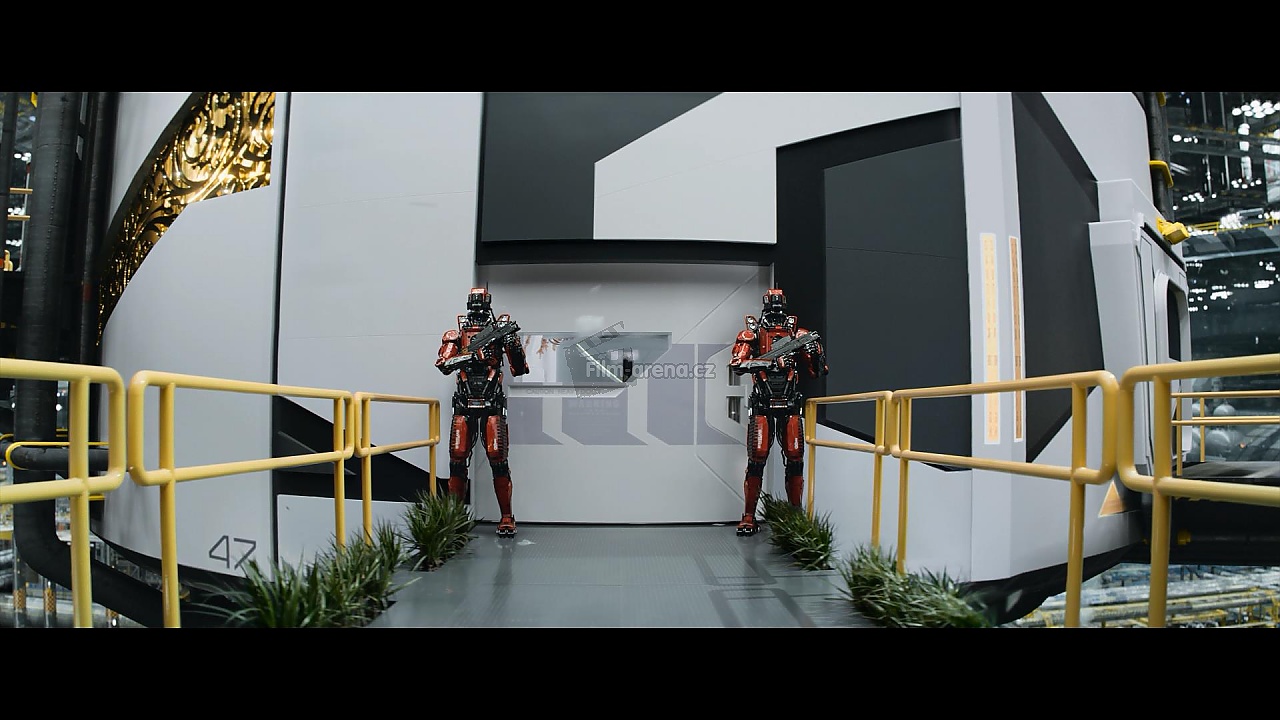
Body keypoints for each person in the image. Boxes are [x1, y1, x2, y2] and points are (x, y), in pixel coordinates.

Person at [728, 288, 828, 535]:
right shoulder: (752, 333)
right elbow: (737, 364)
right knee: (757, 457)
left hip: (789, 402)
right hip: (763, 402)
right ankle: (749, 516)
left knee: (795, 457)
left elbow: (817, 371)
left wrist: (815, 352)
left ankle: (795, 515)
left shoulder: (798, 335)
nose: (775, 318)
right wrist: (769, 361)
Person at [436, 287, 529, 536]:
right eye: (474, 304)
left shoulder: (498, 331)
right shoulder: (456, 334)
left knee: (498, 459)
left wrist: (511, 344)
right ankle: (455, 519)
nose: (477, 309)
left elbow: (520, 369)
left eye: (481, 304)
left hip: (491, 402)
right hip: (465, 402)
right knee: (457, 458)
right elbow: (444, 365)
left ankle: (506, 516)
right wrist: (471, 356)